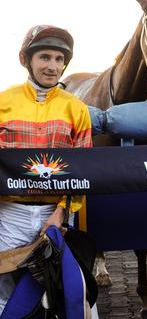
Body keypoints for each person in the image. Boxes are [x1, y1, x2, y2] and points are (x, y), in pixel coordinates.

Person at [0, 25, 93, 312]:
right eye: (44, 57)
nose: (52, 67)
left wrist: (61, 212)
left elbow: (82, 170)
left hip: (54, 214)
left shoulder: (76, 109)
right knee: (5, 292)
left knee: (59, 291)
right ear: (25, 59)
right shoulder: (3, 103)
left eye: (58, 59)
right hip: (9, 213)